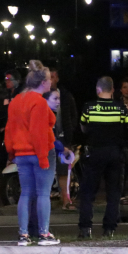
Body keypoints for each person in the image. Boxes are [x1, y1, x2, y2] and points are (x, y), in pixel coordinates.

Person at [78, 77, 128, 239]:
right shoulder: (120, 108)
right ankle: (109, 229)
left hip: (94, 153)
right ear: (113, 90)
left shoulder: (89, 107)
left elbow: (84, 128)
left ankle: (85, 228)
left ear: (97, 90)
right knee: (114, 192)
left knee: (87, 192)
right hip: (115, 153)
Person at [4, 60, 60, 246]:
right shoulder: (40, 102)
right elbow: (38, 132)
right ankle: (44, 234)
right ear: (43, 82)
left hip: (21, 153)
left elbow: (9, 129)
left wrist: (11, 152)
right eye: (49, 79)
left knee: (25, 193)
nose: (51, 82)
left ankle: (23, 234)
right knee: (43, 193)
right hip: (40, 152)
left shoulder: (16, 101)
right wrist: (43, 157)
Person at [48, 65, 78, 208]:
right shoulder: (41, 97)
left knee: (64, 170)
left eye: (52, 77)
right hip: (46, 140)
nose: (50, 80)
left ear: (57, 79)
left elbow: (73, 115)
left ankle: (65, 199)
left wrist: (69, 131)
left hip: (62, 138)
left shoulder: (66, 96)